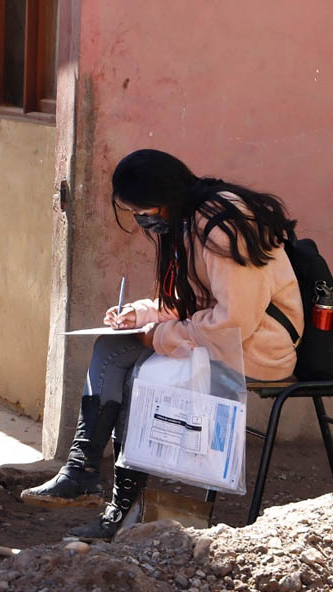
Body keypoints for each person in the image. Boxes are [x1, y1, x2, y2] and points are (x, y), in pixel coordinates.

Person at [21, 149, 303, 539]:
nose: (141, 219)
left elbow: (234, 320)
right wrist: (141, 315)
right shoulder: (192, 216)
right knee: (110, 346)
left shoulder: (222, 224)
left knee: (141, 375)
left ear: (166, 195)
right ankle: (81, 470)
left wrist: (160, 336)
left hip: (258, 348)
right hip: (229, 336)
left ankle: (120, 512)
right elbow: (195, 301)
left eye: (144, 209)